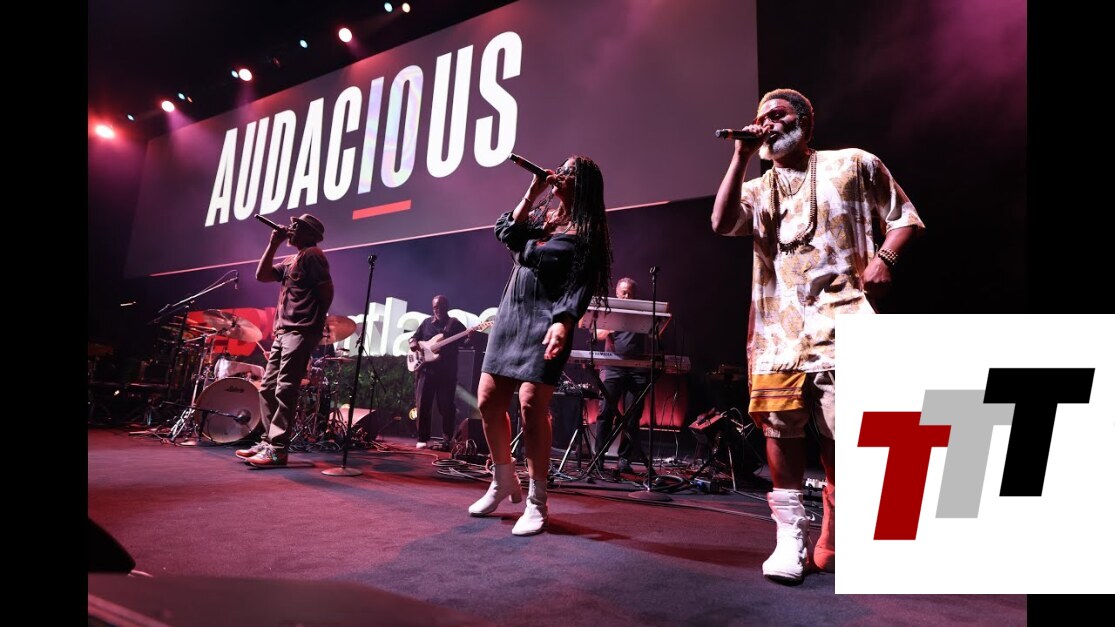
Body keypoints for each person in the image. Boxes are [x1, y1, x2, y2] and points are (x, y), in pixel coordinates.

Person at [711, 88, 925, 582]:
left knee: (844, 436)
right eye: (761, 117)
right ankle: (789, 539)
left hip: (841, 321)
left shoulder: (853, 164)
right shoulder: (758, 188)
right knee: (779, 430)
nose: (767, 123)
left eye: (778, 114)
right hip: (777, 331)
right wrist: (741, 155)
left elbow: (905, 218)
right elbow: (721, 222)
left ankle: (834, 526)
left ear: (805, 121)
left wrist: (885, 258)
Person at [469, 155, 613, 536]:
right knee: (487, 399)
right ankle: (503, 479)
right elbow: (506, 232)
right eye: (560, 168)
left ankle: (537, 500)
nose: (559, 174)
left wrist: (565, 322)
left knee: (531, 403)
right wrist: (532, 193)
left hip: (548, 320)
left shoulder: (587, 232)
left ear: (583, 184)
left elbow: (581, 283)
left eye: (568, 171)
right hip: (512, 314)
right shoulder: (544, 219)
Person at [236, 213, 333, 467]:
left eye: (296, 226)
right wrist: (273, 244)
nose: (290, 228)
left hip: (300, 331)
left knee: (285, 389)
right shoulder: (292, 260)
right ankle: (269, 442)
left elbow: (326, 293)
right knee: (268, 388)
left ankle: (278, 449)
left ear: (310, 234)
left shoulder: (313, 255)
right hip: (283, 332)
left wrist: (312, 326)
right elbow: (262, 275)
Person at [592, 277, 652, 475]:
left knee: (632, 417)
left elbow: (655, 332)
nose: (627, 296)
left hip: (637, 369)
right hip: (612, 367)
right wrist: (613, 323)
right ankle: (599, 457)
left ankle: (624, 458)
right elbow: (597, 335)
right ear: (617, 293)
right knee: (606, 413)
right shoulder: (609, 310)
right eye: (623, 293)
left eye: (630, 293)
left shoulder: (642, 312)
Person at [408, 295, 469, 450]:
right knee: (423, 405)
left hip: (446, 373)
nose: (438, 310)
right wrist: (413, 343)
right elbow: (414, 338)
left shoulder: (454, 324)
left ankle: (448, 440)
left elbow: (465, 342)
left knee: (446, 406)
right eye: (435, 307)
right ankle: (422, 438)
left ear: (446, 306)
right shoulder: (426, 323)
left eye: (441, 307)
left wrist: (470, 337)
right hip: (426, 371)